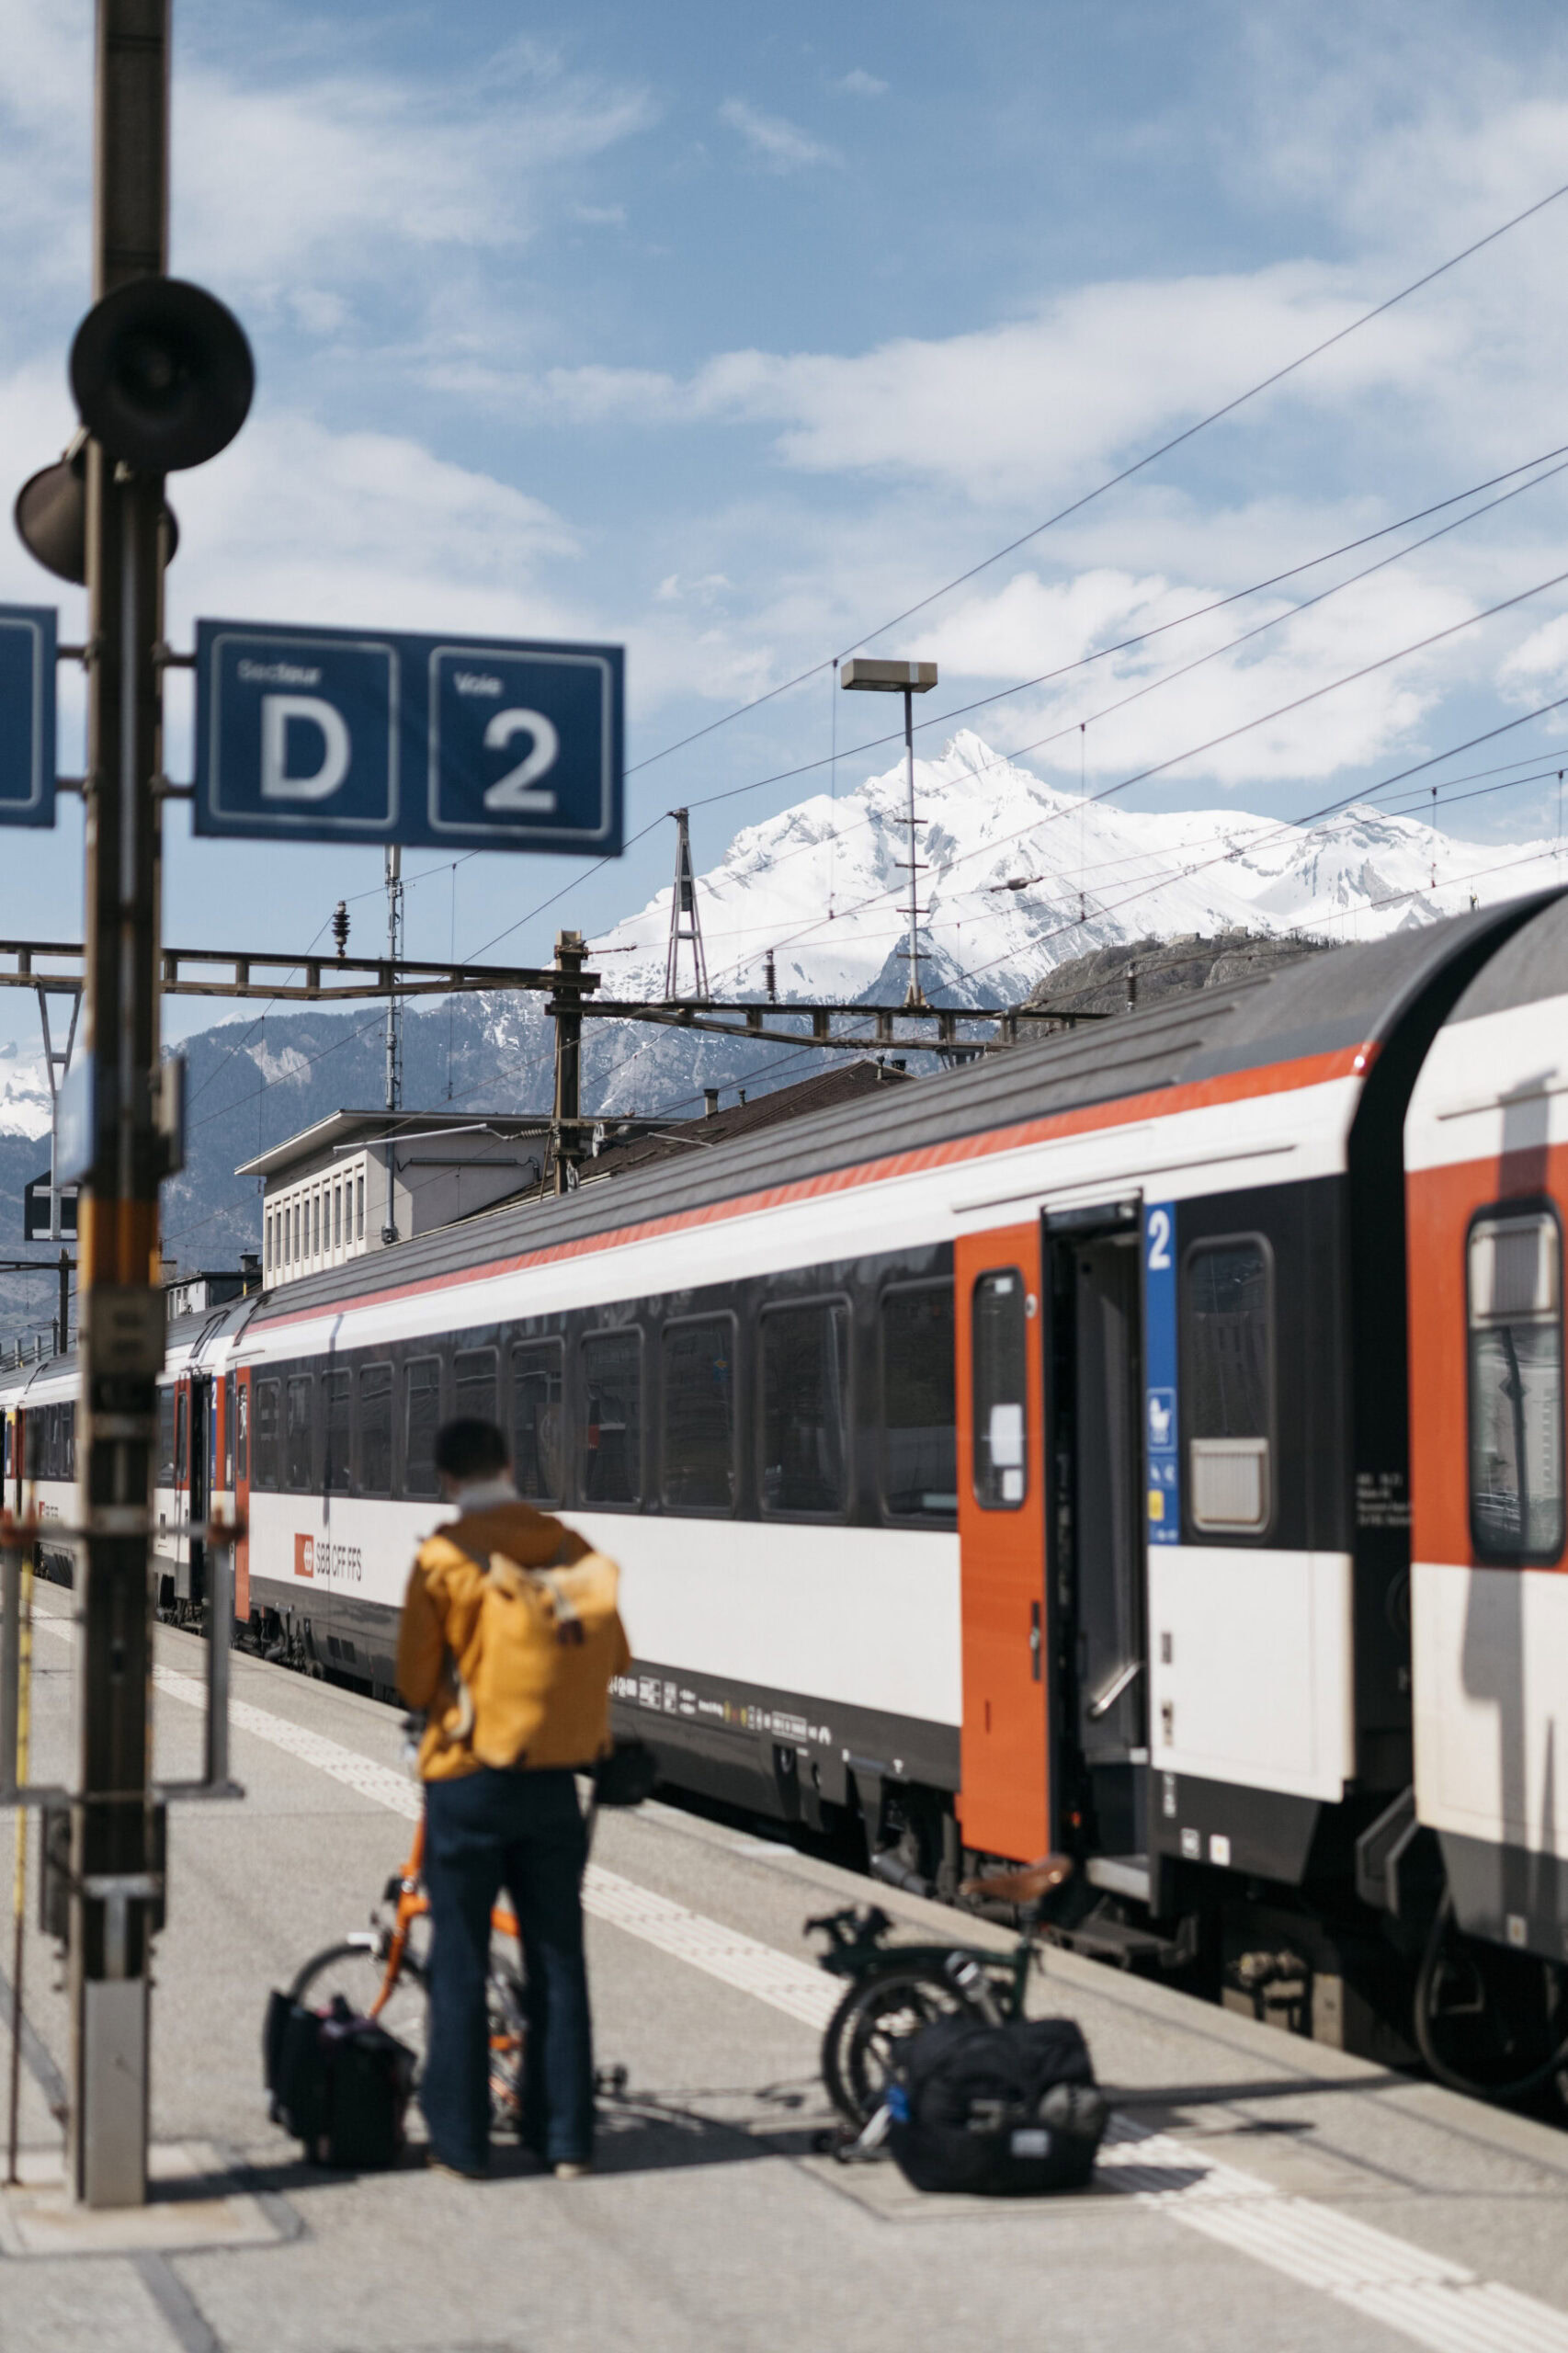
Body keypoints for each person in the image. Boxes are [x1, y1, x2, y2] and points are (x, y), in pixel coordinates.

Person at [395, 1415, 627, 2181]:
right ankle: (567, 2139)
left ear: (448, 1481)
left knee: (459, 1958)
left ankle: (461, 2145)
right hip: (556, 1781)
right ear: (512, 1466)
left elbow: (415, 1682)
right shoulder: (568, 1547)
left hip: (468, 1781)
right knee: (558, 1955)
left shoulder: (444, 1558)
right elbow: (615, 1653)